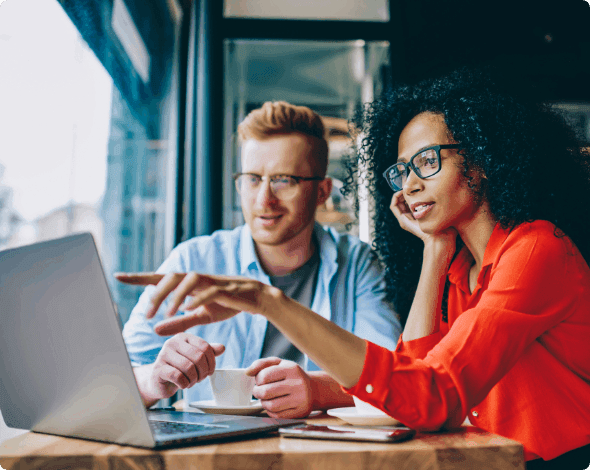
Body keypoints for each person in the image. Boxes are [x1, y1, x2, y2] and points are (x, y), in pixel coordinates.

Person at [117, 69, 590, 468]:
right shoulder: (461, 268)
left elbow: (427, 395)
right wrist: (433, 251)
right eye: (402, 170)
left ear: (484, 160)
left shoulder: (534, 250)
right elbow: (415, 377)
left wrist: (268, 302)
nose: (408, 186)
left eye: (427, 162)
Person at [120, 101, 402, 418]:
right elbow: (115, 379)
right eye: (253, 179)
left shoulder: (357, 263)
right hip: (214, 457)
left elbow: (394, 376)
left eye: (283, 180)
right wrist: (154, 380)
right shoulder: (194, 259)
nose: (263, 199)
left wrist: (317, 390)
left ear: (322, 192)